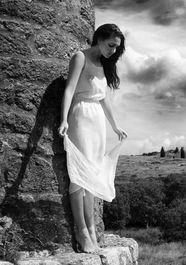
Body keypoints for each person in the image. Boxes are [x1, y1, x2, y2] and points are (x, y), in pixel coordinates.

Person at [58, 23, 128, 253]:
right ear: (99, 38)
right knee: (79, 176)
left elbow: (104, 99)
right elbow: (69, 89)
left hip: (97, 122)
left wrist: (115, 126)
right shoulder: (80, 57)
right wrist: (64, 119)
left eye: (117, 48)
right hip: (80, 116)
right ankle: (81, 230)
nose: (113, 51)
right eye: (111, 45)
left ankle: (90, 227)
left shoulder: (103, 64)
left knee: (91, 176)